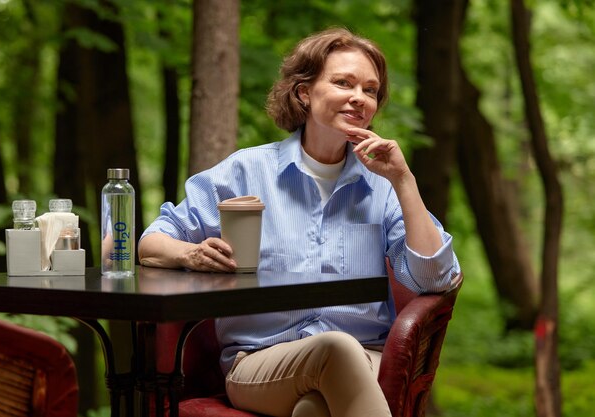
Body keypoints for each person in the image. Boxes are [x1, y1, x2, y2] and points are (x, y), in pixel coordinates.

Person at [139, 27, 460, 417]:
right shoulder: (244, 171)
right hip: (261, 362)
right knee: (334, 349)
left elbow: (436, 278)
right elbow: (151, 242)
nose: (359, 98)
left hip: (364, 358)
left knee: (313, 410)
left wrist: (404, 181)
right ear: (304, 92)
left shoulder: (383, 186)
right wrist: (192, 253)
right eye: (343, 83)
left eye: (370, 90)